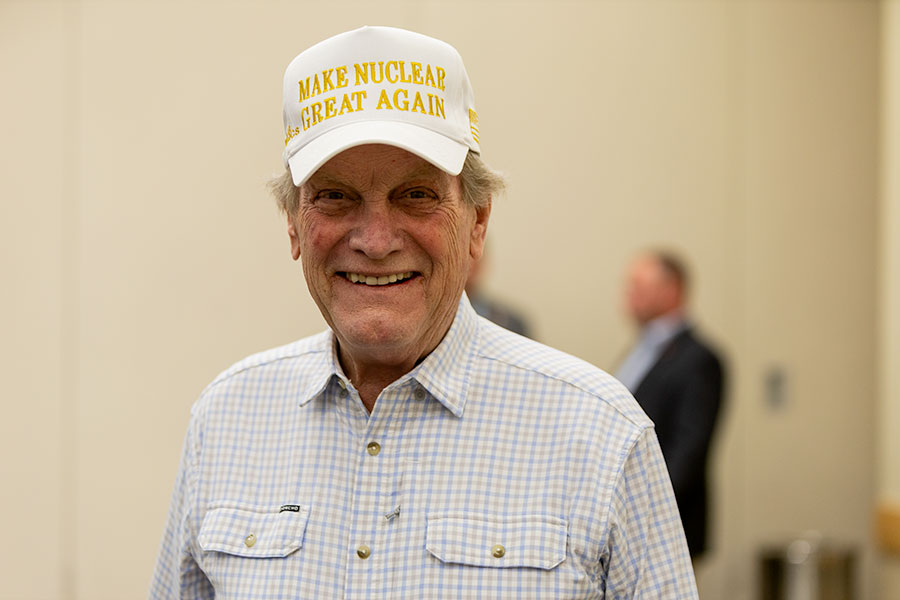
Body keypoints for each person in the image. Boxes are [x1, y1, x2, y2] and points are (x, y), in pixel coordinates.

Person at [151, 26, 697, 598]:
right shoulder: (224, 421)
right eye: (335, 196)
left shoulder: (602, 435)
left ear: (477, 223)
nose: (376, 239)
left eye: (416, 195)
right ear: (293, 224)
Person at [616, 250, 725, 560]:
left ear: (672, 289)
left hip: (664, 526)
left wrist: (644, 513)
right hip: (630, 524)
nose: (629, 295)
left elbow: (687, 453)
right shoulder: (642, 351)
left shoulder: (699, 359)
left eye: (639, 286)